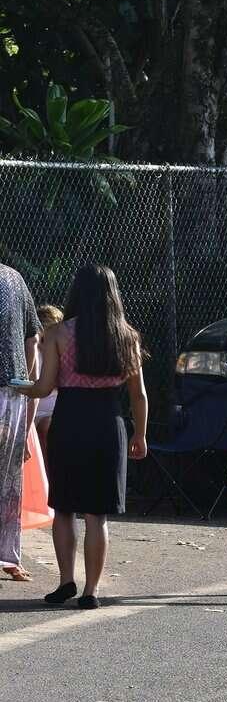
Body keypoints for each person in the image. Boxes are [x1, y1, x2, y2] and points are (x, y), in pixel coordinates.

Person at [16, 265, 147, 609]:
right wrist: (141, 435)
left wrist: (17, 387)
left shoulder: (59, 333)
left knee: (64, 508)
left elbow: (44, 387)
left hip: (70, 420)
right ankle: (92, 590)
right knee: (97, 514)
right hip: (108, 422)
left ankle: (65, 581)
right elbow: (139, 395)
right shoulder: (127, 336)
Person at [0, 261, 42, 582]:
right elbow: (32, 342)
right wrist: (29, 391)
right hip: (14, 390)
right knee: (10, 478)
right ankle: (9, 557)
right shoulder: (15, 278)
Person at [32, 304, 62, 464]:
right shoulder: (31, 349)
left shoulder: (61, 351)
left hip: (51, 411)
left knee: (46, 428)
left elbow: (57, 384)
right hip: (30, 409)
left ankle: (49, 482)